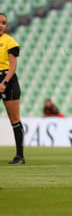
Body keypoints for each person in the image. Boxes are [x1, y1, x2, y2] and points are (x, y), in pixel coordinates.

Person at [0, 13, 25, 164]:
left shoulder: (9, 41)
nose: (1, 25)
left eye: (4, 23)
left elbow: (13, 65)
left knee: (14, 119)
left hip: (7, 80)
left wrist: (4, 82)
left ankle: (20, 156)